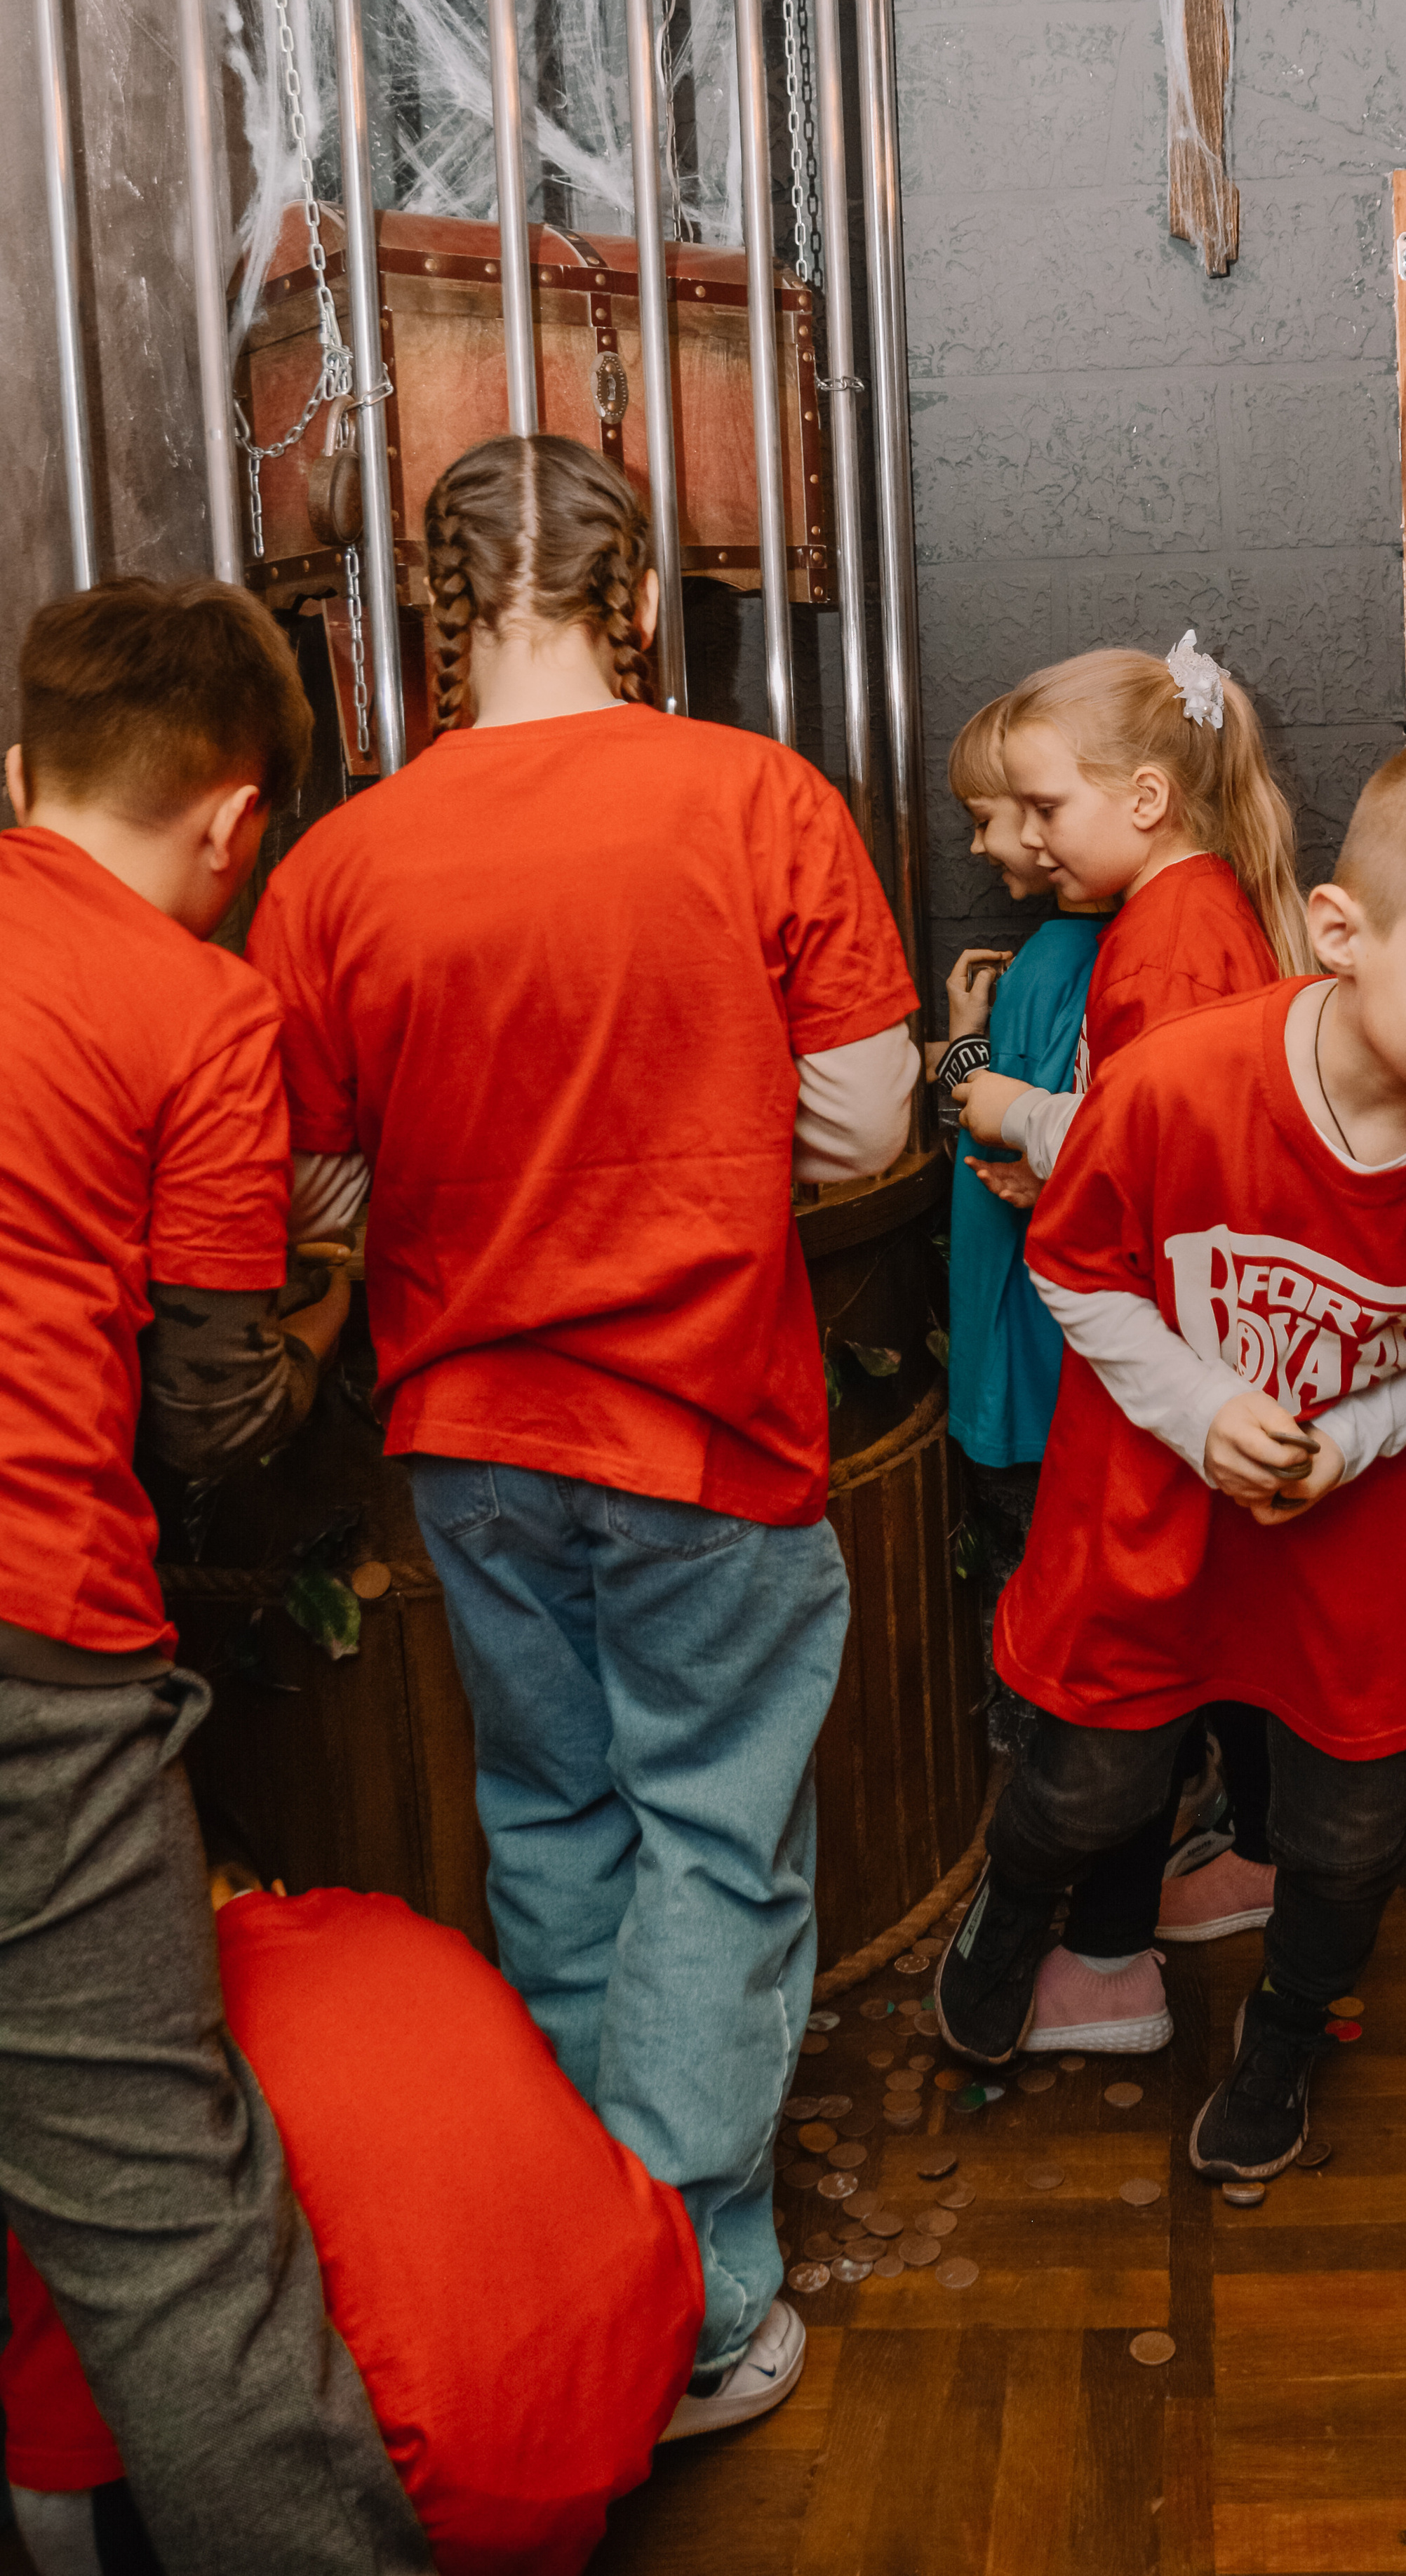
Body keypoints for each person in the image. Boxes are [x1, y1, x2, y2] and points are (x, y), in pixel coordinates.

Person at [246, 434, 920, 2433]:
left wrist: (454, 1202)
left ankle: (568, 2276)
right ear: (638, 608)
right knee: (719, 1843)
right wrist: (709, 1177)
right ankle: (692, 2309)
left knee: (554, 1829)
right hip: (706, 1418)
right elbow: (874, 1125)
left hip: (469, 1433)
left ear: (435, 625)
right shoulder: (758, 797)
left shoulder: (337, 861)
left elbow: (302, 1186)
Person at [946, 723, 1406, 2185]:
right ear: (1340, 932)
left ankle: (1283, 2045)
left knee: (1345, 1835)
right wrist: (1196, 1410)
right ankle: (1010, 1914)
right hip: (1142, 1525)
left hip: (1346, 1561)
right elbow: (1075, 1268)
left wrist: (1360, 1435)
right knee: (1090, 1787)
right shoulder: (1178, 1087)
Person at [0, 580, 433, 2572]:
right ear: (238, 823)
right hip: (30, 1637)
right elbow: (206, 1414)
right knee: (168, 2227)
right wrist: (323, 1306)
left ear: (20, 772)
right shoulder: (199, 1008)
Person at [948, 636, 1307, 2061]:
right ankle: (1160, 1926)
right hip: (1186, 1366)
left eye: (1043, 810)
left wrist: (990, 1108)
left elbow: (1124, 1154)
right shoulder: (1192, 916)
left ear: (1147, 799)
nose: (1023, 841)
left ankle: (1098, 1963)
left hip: (1149, 1378)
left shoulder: (1160, 938)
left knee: (1121, 1681)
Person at [3, 1867, 703, 2576]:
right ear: (272, 1889)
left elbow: (61, 2461)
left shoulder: (119, 2069)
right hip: (635, 2375)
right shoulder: (390, 1920)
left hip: (428, 2504)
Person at [930, 695, 1104, 1694]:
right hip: (1020, 1348)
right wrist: (967, 1031)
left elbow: (1000, 1129)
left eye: (991, 816)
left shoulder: (1076, 962)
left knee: (1046, 1607)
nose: (983, 842)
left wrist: (962, 1055)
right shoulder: (1045, 956)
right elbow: (990, 1122)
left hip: (1039, 1360)